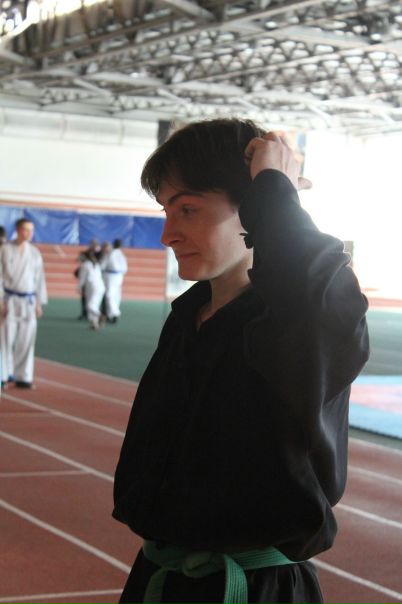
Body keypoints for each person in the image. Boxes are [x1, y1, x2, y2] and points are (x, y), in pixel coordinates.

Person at [112, 119, 369, 604]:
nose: (168, 234)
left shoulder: (300, 326)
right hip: (160, 576)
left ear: (254, 209)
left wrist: (274, 188)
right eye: (167, 211)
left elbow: (317, 290)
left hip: (253, 589)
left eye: (188, 210)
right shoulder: (189, 317)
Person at [0, 218, 47, 389]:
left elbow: (39, 279)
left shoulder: (34, 252)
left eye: (31, 230)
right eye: (26, 229)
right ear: (18, 230)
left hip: (29, 301)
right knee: (5, 339)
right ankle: (3, 375)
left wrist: (39, 303)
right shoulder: (5, 250)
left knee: (27, 339)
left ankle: (23, 376)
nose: (29, 233)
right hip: (9, 300)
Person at [77, 249, 106, 330]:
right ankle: (95, 324)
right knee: (95, 305)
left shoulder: (85, 265)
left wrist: (79, 287)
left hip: (92, 287)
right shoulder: (96, 264)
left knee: (90, 306)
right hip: (100, 287)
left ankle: (100, 316)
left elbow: (82, 278)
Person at [103, 238, 127, 324]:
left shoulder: (110, 253)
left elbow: (103, 264)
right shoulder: (121, 254)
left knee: (109, 295)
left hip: (110, 275)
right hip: (119, 276)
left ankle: (115, 313)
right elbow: (125, 268)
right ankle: (111, 315)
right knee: (116, 295)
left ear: (113, 244)